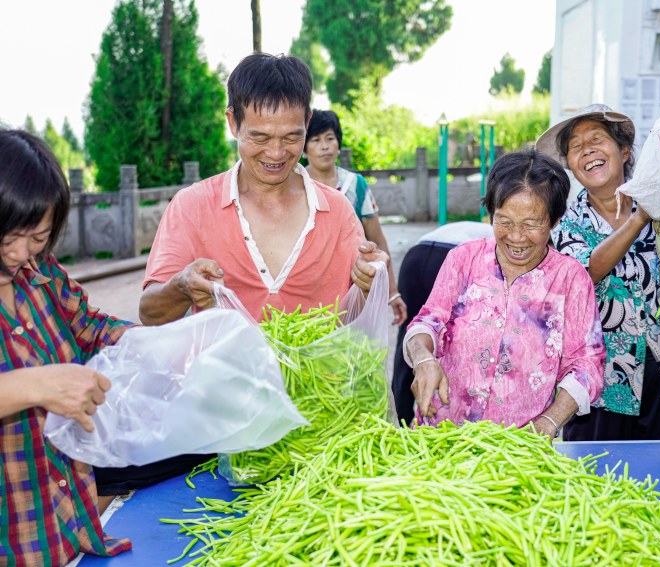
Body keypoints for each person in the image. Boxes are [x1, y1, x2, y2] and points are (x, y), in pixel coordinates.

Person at [138, 52, 388, 326]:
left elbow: (355, 318)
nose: (276, 153)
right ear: (233, 122)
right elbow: (150, 314)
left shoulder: (337, 210)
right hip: (228, 371)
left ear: (307, 122)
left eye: (292, 137)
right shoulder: (192, 206)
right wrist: (180, 287)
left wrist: (369, 284)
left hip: (322, 371)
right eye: (260, 137)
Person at [403, 150, 606, 439]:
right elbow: (427, 322)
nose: (516, 237)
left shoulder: (570, 279)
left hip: (518, 447)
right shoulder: (464, 259)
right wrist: (423, 359)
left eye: (531, 224)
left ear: (555, 220)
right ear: (490, 213)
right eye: (505, 221)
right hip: (440, 435)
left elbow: (587, 364)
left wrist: (549, 421)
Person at [0, 129, 131, 564]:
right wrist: (33, 386)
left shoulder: (40, 272)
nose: (20, 254)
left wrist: (164, 344)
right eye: (7, 240)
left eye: (37, 238)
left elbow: (89, 325)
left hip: (65, 529)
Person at [536, 103, 660, 441]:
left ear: (624, 150)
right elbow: (586, 272)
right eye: (576, 147)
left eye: (597, 140)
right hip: (599, 384)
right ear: (571, 165)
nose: (587, 151)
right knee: (596, 474)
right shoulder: (566, 226)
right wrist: (638, 219)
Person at [303, 109, 407, 325]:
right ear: (304, 149)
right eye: (315, 140)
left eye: (330, 138)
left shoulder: (355, 185)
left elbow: (378, 240)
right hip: (306, 289)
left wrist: (393, 291)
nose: (324, 146)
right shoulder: (295, 185)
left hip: (354, 289)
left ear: (338, 144)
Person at [391, 221, 493, 425]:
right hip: (446, 257)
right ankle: (437, 404)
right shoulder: (502, 240)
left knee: (410, 334)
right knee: (447, 334)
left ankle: (400, 417)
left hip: (415, 256)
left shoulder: (486, 227)